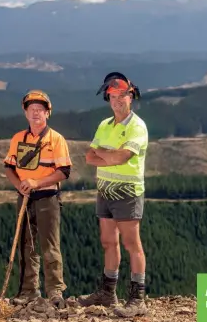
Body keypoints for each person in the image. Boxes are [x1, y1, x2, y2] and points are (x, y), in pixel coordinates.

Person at [78, 72, 149, 317]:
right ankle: (108, 293)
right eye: (112, 96)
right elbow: (89, 157)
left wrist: (105, 156)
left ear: (131, 96)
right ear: (108, 98)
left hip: (128, 192)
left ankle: (137, 298)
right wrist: (112, 156)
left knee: (132, 244)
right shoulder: (105, 125)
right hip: (105, 190)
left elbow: (123, 157)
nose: (117, 100)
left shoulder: (137, 126)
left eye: (122, 96)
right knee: (108, 242)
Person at [3, 89, 72, 308]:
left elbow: (64, 172)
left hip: (47, 197)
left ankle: (55, 292)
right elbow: (9, 167)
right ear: (25, 112)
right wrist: (20, 187)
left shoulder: (56, 139)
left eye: (40, 110)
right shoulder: (18, 139)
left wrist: (36, 183)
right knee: (26, 246)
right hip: (24, 197)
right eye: (32, 109)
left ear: (47, 113)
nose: (36, 113)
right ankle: (28, 291)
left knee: (50, 246)